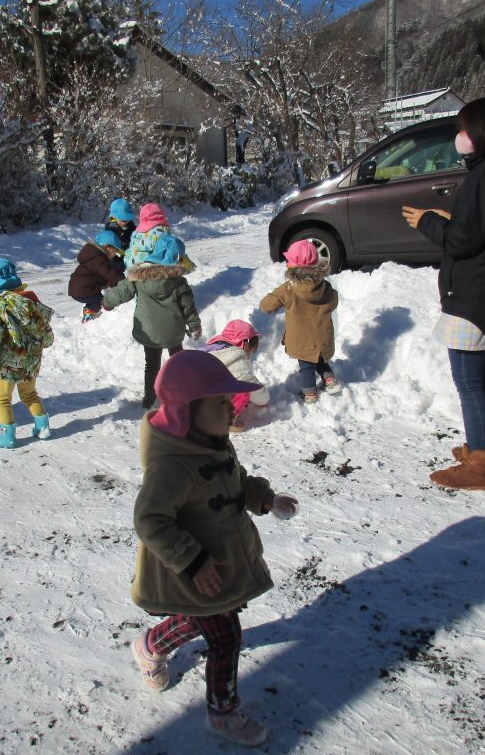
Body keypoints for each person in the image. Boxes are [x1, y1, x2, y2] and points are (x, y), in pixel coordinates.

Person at [128, 350, 299, 747]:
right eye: (220, 402)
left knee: (201, 618)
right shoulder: (172, 465)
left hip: (221, 560)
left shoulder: (211, 442)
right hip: (194, 568)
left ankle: (149, 646)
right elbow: (150, 520)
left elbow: (235, 481)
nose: (232, 408)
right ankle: (223, 711)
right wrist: (193, 561)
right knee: (225, 637)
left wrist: (265, 498)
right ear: (186, 411)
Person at [402, 96, 485, 491]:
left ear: (482, 132)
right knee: (481, 377)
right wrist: (453, 219)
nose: (459, 136)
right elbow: (482, 228)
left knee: (469, 380)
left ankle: (478, 465)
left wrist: (428, 222)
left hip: (476, 291)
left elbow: (463, 241)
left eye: (463, 129)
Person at [103, 233, 201, 409]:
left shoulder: (138, 276)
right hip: (173, 331)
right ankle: (180, 394)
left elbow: (121, 292)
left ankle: (149, 397)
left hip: (150, 332)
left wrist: (107, 303)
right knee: (177, 362)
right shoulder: (179, 282)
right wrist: (194, 326)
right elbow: (188, 307)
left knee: (152, 364)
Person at [0, 258, 55, 449]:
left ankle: (7, 436)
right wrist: (44, 342)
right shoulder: (30, 301)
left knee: (2, 398)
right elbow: (45, 333)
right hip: (31, 359)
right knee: (30, 394)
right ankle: (42, 427)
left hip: (7, 362)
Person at [259, 239, 340, 404]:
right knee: (319, 358)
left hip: (302, 339)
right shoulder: (325, 286)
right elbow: (334, 302)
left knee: (306, 367)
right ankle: (330, 380)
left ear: (294, 265)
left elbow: (266, 306)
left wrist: (274, 298)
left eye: (289, 261)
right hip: (322, 335)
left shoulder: (288, 288)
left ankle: (310, 394)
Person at [200, 319, 270, 432]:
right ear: (245, 345)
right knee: (243, 390)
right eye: (250, 353)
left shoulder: (210, 350)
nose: (248, 357)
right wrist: (264, 399)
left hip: (191, 400)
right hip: (207, 408)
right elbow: (253, 386)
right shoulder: (236, 360)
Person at [68, 230, 125, 322]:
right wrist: (124, 281)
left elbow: (102, 276)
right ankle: (89, 321)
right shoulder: (98, 258)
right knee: (99, 300)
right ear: (107, 247)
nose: (115, 254)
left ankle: (88, 316)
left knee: (95, 301)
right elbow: (109, 273)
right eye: (115, 250)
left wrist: (111, 283)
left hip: (78, 288)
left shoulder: (93, 257)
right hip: (83, 289)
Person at [124, 203, 177, 271]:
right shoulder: (161, 231)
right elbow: (166, 251)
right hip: (147, 270)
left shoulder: (136, 232)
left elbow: (131, 248)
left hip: (131, 268)